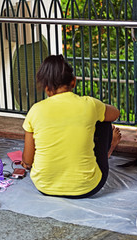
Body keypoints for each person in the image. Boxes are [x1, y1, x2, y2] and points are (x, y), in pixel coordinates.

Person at [21, 54, 121, 198]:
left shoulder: (35, 110)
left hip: (44, 186)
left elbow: (28, 161)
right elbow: (115, 113)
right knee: (103, 120)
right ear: (73, 82)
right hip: (88, 187)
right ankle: (108, 151)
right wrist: (95, 108)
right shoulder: (90, 104)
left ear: (47, 89)